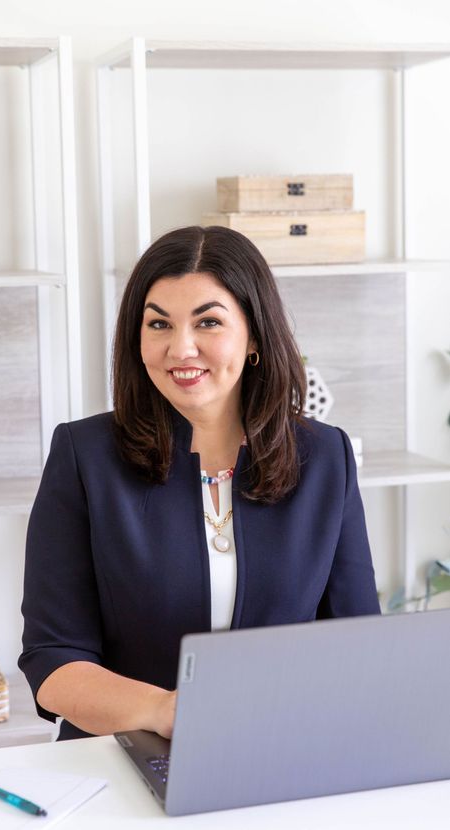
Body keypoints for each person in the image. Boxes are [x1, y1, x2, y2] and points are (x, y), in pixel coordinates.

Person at [19, 225, 380, 742]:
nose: (180, 348)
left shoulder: (325, 457)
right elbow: (52, 662)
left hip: (281, 748)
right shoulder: (84, 456)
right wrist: (166, 710)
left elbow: (359, 645)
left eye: (208, 321)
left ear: (253, 334)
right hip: (122, 755)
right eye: (159, 324)